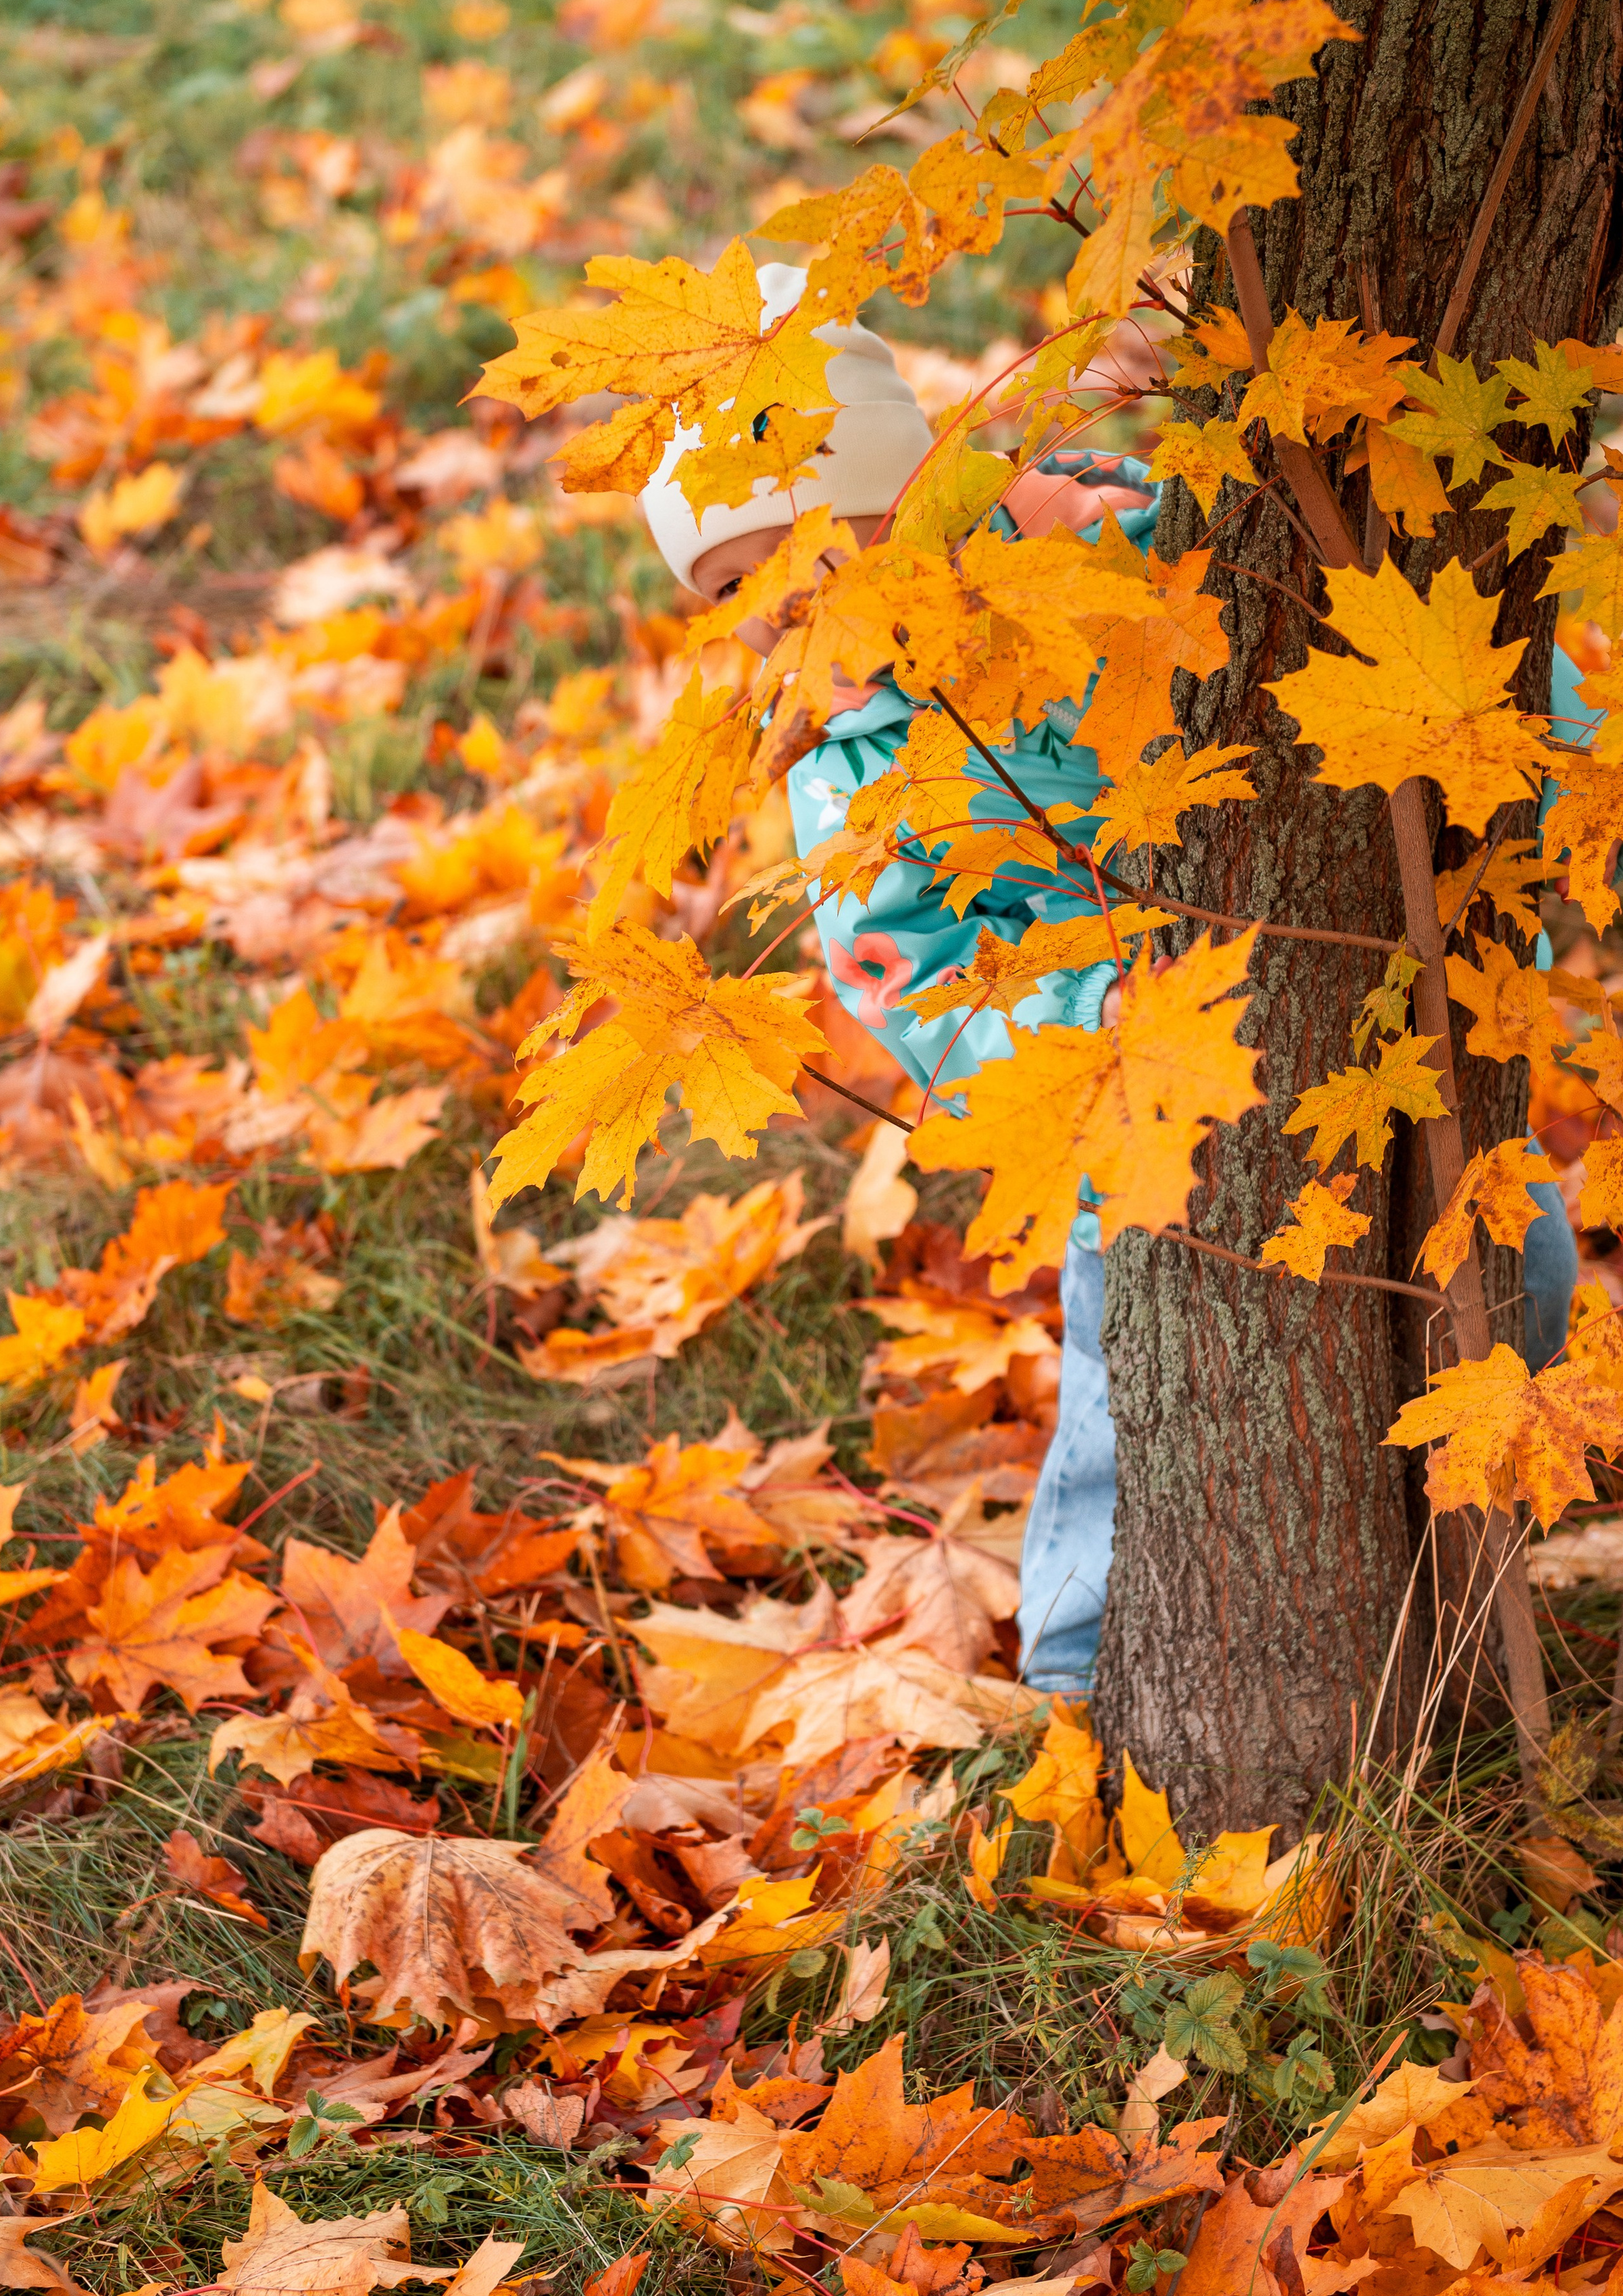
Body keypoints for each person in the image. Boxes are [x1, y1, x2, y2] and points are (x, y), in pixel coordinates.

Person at [639, 263, 1579, 1693]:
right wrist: (1104, 1029)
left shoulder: (1106, 545)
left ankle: (1466, 1531)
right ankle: (1076, 1664)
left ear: (913, 496)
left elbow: (1321, 635)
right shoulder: (846, 768)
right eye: (736, 596)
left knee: (1519, 1263)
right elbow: (928, 982)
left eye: (813, 553)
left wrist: (1543, 761)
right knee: (1128, 1400)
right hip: (1135, 1129)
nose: (788, 612)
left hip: (1376, 1018)